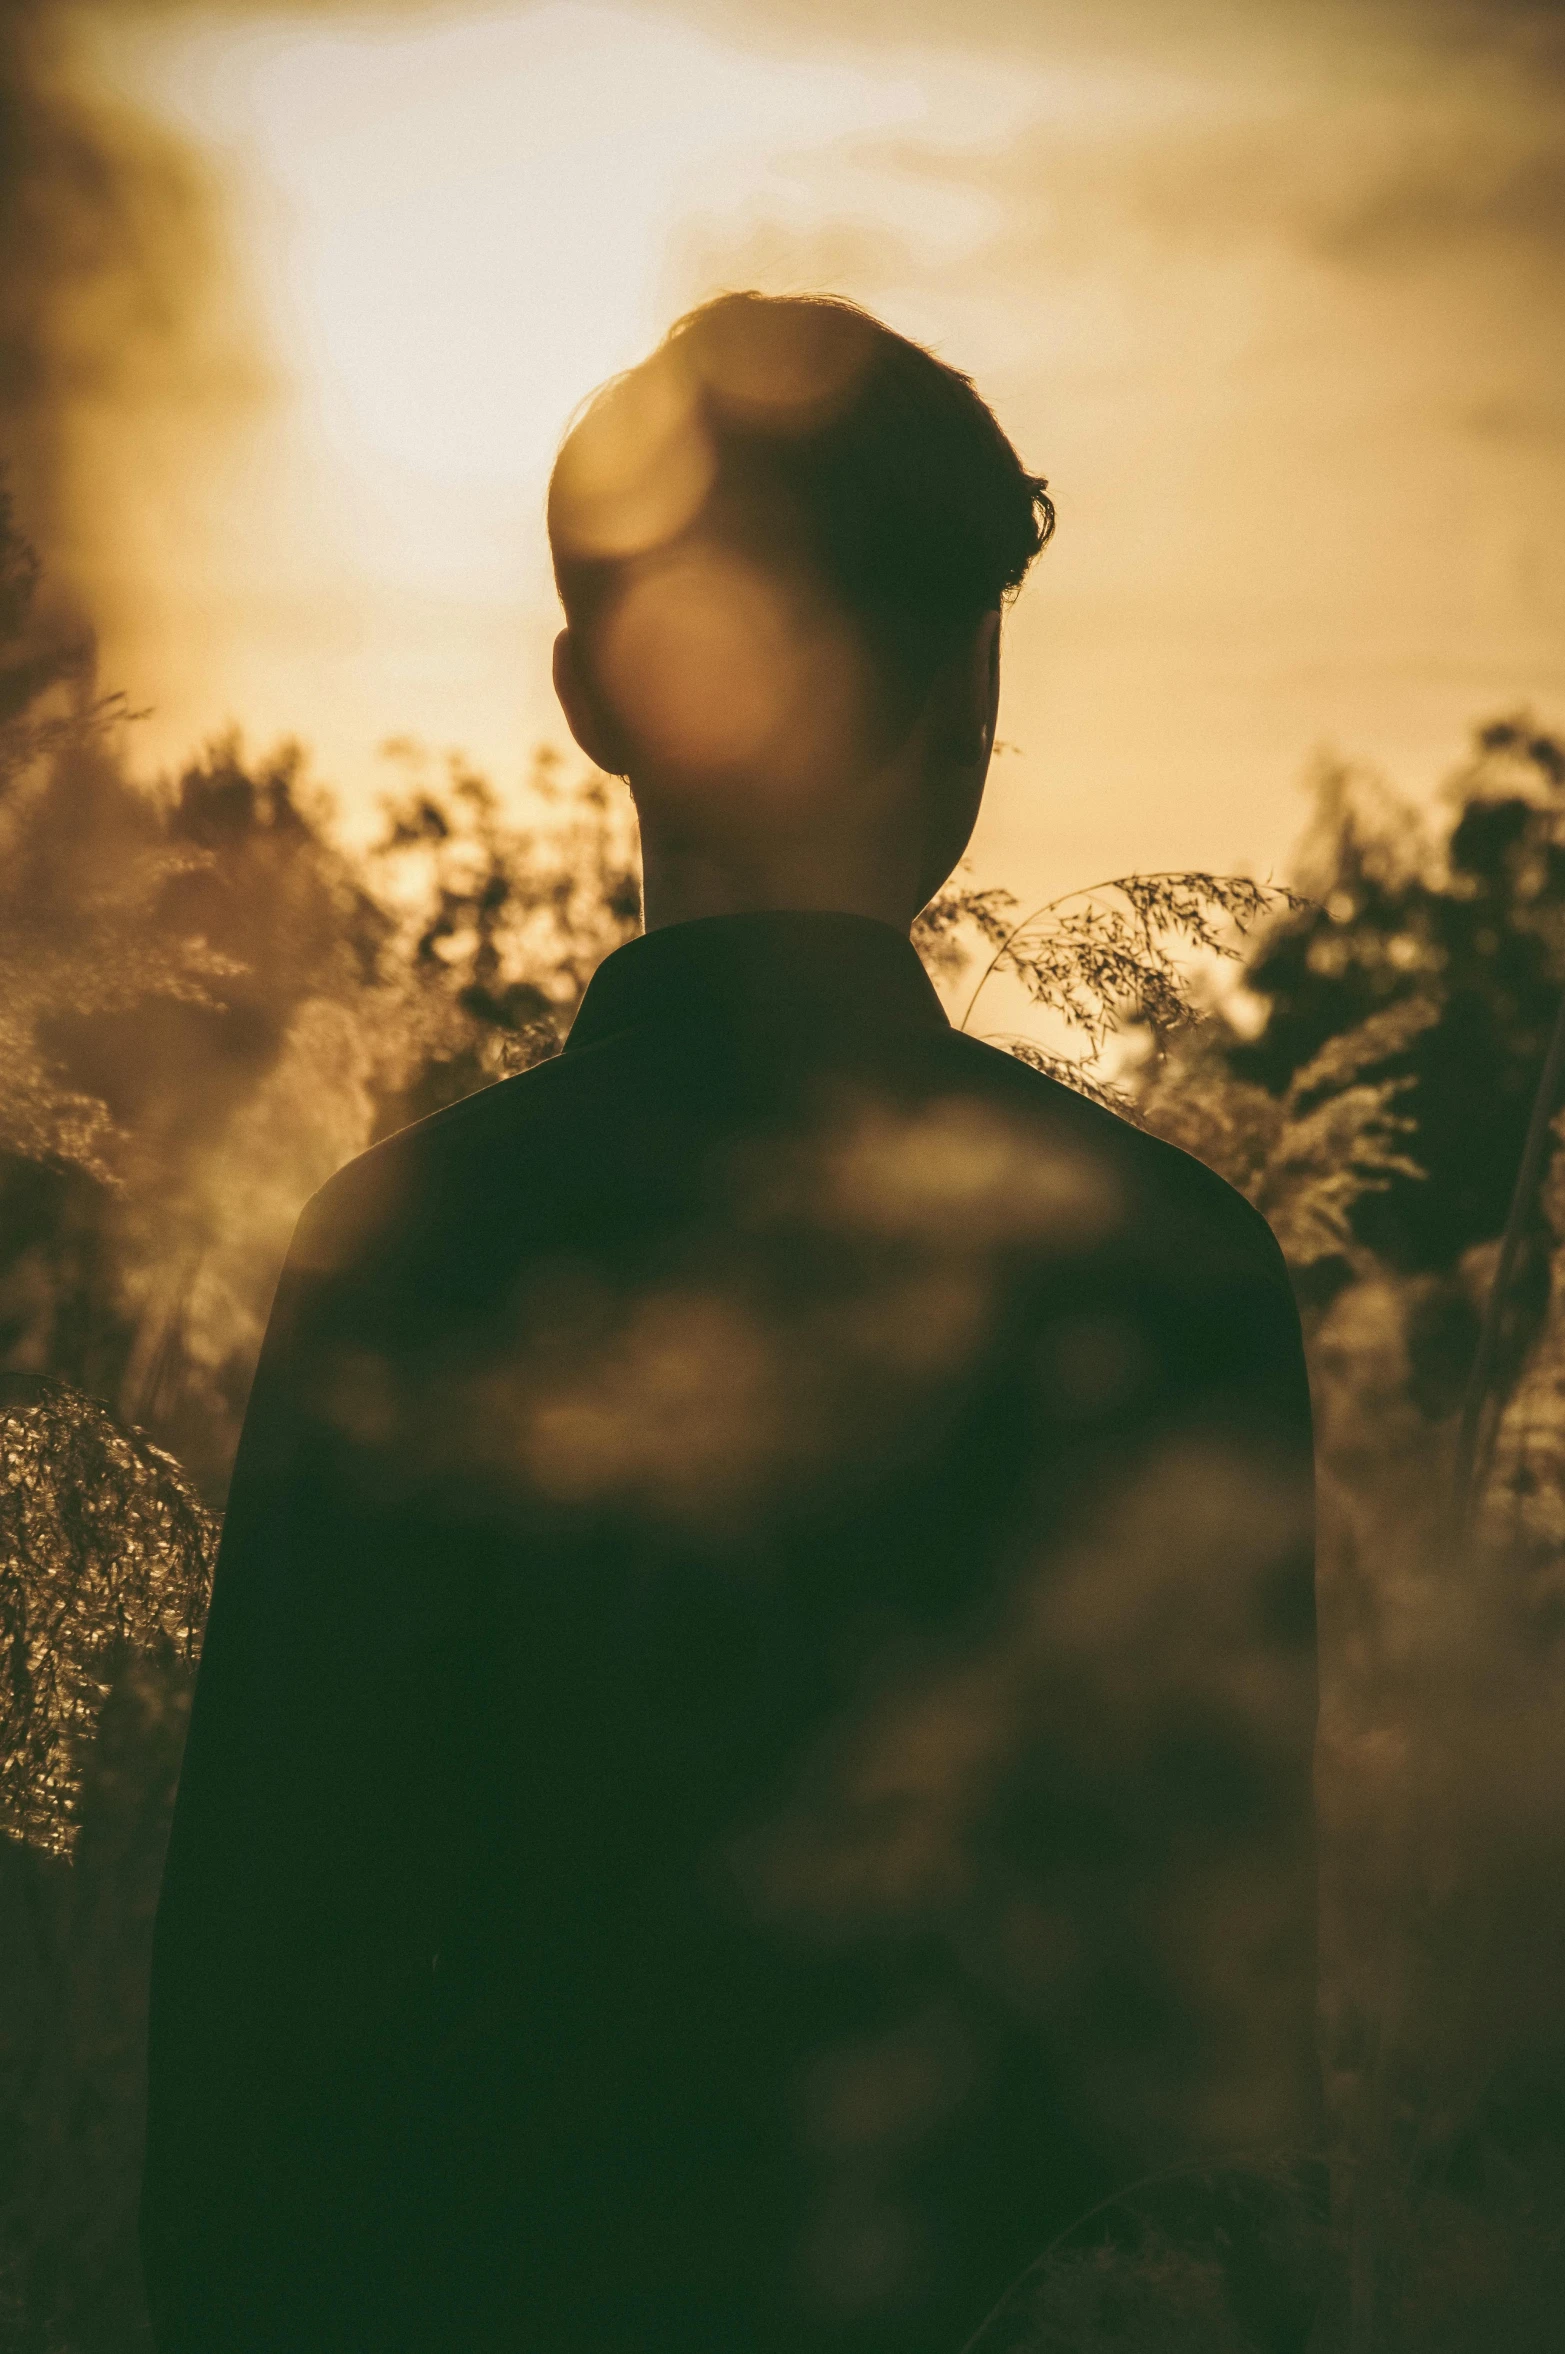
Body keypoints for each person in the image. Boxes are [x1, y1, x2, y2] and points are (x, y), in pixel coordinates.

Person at [141, 293, 1320, 2354]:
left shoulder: (408, 1249)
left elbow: (252, 2066)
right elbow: (1225, 2124)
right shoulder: (1168, 1270)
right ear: (967, 697)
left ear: (590, 698)